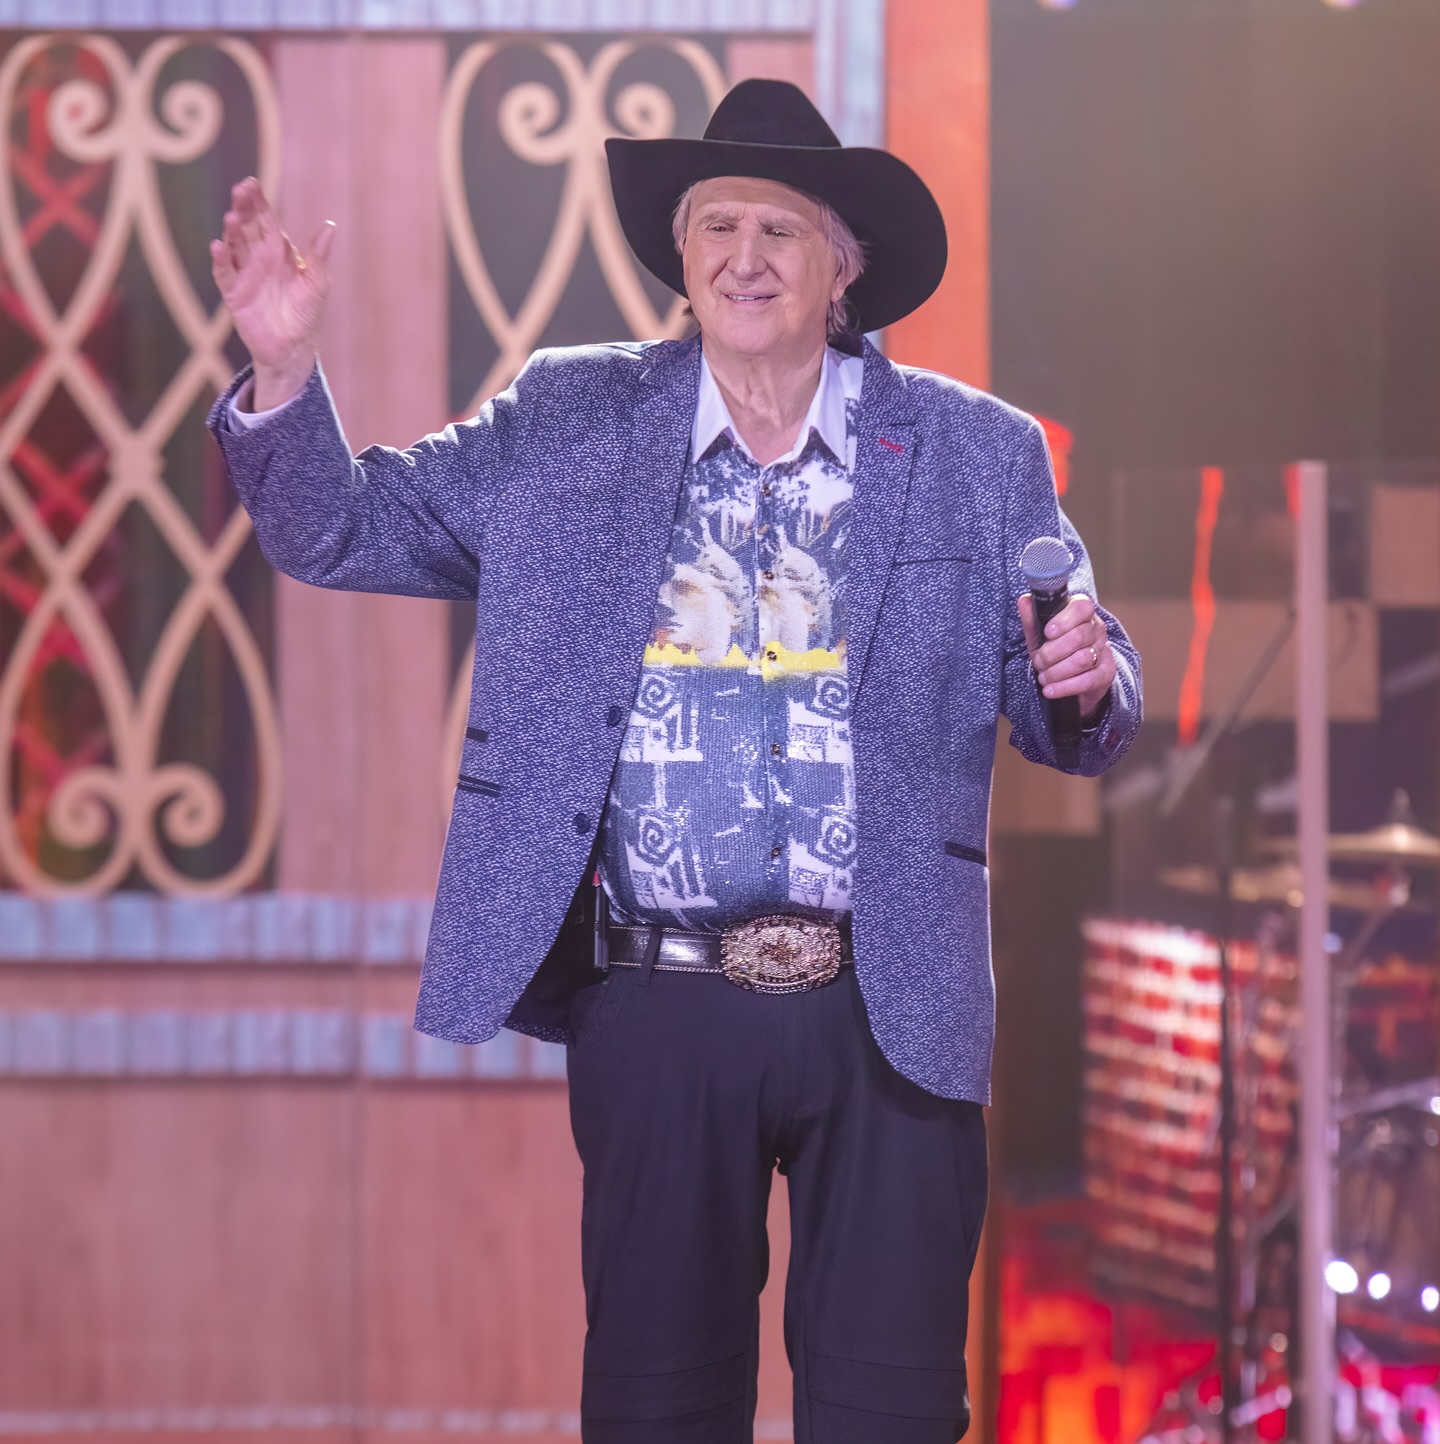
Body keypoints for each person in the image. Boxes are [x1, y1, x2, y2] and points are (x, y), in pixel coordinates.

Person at [208, 78, 1141, 1444]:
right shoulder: (569, 419)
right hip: (656, 1004)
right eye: (716, 227)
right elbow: (339, 528)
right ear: (683, 255)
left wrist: (1089, 676)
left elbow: (1074, 693)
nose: (743, 258)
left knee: (890, 1415)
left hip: (892, 1005)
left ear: (844, 268)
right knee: (659, 1411)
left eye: (779, 229)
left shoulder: (974, 451)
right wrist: (286, 375)